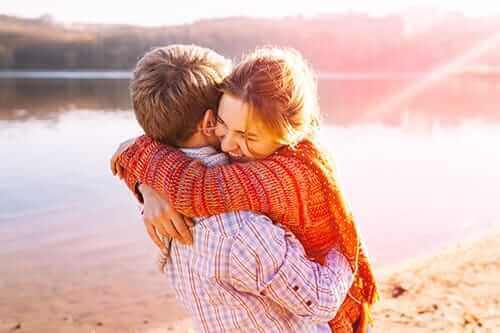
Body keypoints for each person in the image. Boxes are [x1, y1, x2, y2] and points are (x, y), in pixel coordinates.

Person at [113, 44, 354, 332]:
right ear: (210, 121)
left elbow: (154, 144)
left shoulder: (158, 190)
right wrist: (345, 251)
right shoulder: (242, 230)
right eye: (226, 120)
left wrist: (142, 183)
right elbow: (322, 300)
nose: (230, 141)